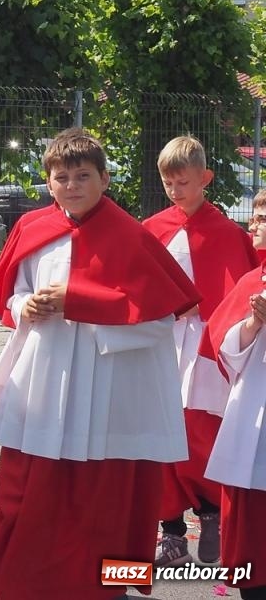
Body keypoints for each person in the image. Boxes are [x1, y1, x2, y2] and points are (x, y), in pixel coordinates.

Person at [0, 127, 200, 600]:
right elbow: (13, 292)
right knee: (29, 497)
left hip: (108, 396)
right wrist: (26, 308)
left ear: (104, 178)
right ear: (49, 181)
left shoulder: (130, 236)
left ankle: (105, 590)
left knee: (106, 505)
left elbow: (161, 322)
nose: (72, 185)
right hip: (44, 385)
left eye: (83, 175)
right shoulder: (33, 228)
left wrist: (79, 300)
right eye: (61, 176)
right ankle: (26, 586)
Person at [143, 135, 258, 566]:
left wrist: (200, 304)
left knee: (201, 429)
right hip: (162, 342)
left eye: (184, 182)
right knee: (157, 428)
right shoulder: (152, 229)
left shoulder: (227, 232)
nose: (176, 192)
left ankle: (210, 512)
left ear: (205, 178)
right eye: (169, 184)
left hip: (207, 345)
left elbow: (240, 292)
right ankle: (170, 526)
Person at [201, 189, 266, 600]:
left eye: (262, 217)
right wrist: (251, 325)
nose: (252, 225)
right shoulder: (252, 280)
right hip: (254, 417)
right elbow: (222, 344)